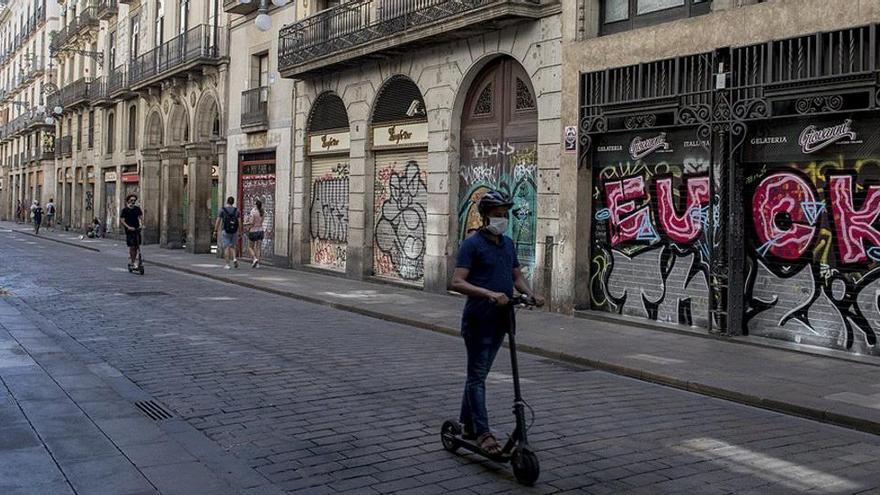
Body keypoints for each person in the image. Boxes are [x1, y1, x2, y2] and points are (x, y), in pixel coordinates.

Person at [450, 191, 544, 456]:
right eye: (497, 215)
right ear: (484, 216)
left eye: (505, 215)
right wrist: (490, 294)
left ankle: (467, 424)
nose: (502, 219)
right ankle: (482, 432)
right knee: (477, 376)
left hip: (503, 321)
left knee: (477, 376)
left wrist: (530, 293)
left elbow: (516, 276)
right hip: (479, 319)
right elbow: (456, 282)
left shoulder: (508, 244)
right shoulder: (472, 245)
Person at [214, 196, 240, 270]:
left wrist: (215, 230)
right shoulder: (237, 210)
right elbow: (239, 222)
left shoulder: (222, 210)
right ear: (233, 202)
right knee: (232, 246)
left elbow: (218, 221)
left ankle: (227, 264)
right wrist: (240, 230)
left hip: (225, 230)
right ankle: (234, 258)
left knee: (226, 247)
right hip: (234, 231)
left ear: (227, 201)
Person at [120, 194, 144, 267]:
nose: (133, 202)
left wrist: (141, 224)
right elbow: (122, 220)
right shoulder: (125, 210)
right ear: (128, 201)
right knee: (132, 246)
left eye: (134, 200)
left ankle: (134, 260)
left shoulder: (137, 209)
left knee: (137, 246)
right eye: (131, 200)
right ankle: (133, 261)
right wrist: (128, 227)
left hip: (137, 229)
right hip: (129, 231)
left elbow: (140, 218)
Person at [244, 199, 265, 268]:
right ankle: (258, 263)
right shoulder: (262, 212)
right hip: (261, 230)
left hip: (253, 231)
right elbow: (261, 221)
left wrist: (245, 223)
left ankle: (254, 258)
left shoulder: (253, 212)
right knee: (258, 248)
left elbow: (252, 222)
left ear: (255, 205)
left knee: (250, 247)